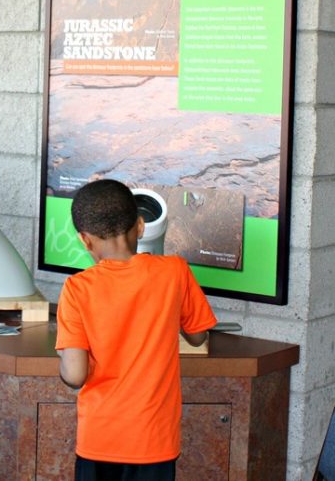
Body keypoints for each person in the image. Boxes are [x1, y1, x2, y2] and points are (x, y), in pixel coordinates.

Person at [55, 179, 217, 481]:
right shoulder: (175, 271)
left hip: (98, 440)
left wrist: (63, 363)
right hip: (154, 441)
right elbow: (198, 336)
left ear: (85, 240)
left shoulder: (77, 289)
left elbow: (75, 375)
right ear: (140, 227)